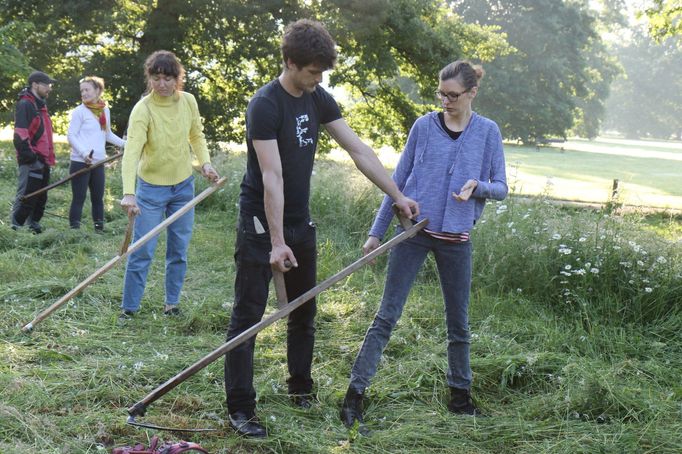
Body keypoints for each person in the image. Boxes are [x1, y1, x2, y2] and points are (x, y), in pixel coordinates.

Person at [224, 18, 419, 438]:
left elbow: (357, 149)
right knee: (248, 316)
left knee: (304, 313)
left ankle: (300, 389)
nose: (318, 79)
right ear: (291, 62)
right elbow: (271, 177)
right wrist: (275, 243)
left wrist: (397, 195)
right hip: (260, 225)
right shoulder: (265, 104)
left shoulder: (317, 97)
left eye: (322, 72)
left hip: (300, 222)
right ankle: (241, 407)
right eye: (313, 71)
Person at [340, 60, 508, 429]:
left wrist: (476, 187)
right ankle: (354, 396)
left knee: (458, 323)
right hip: (413, 234)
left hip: (456, 241)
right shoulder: (424, 126)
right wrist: (375, 233)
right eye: (441, 94)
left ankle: (460, 397)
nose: (445, 101)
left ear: (472, 93)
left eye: (453, 95)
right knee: (386, 316)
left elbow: (502, 188)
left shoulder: (487, 132)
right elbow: (396, 182)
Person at [119, 50, 220, 318]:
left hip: (183, 188)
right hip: (150, 189)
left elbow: (196, 136)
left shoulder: (187, 101)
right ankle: (129, 309)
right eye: (156, 77)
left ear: (178, 78)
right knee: (142, 250)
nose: (162, 84)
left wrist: (206, 164)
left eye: (168, 78)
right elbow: (131, 153)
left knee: (178, 250)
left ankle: (171, 304)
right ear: (149, 78)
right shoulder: (143, 109)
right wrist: (129, 193)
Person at [67, 76, 126, 231]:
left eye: (87, 89)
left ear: (98, 90)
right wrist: (84, 153)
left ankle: (99, 229)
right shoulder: (79, 112)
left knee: (98, 198)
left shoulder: (104, 110)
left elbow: (107, 134)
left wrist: (125, 145)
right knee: (79, 198)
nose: (84, 93)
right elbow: (71, 135)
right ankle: (74, 231)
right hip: (81, 162)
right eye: (82, 91)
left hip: (99, 162)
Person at [11, 71, 57, 234]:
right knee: (26, 195)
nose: (49, 89)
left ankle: (34, 225)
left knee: (40, 196)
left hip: (43, 159)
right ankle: (14, 229)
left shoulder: (40, 105)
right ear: (35, 85)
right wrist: (31, 156)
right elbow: (20, 134)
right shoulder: (25, 104)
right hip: (31, 159)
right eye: (46, 85)